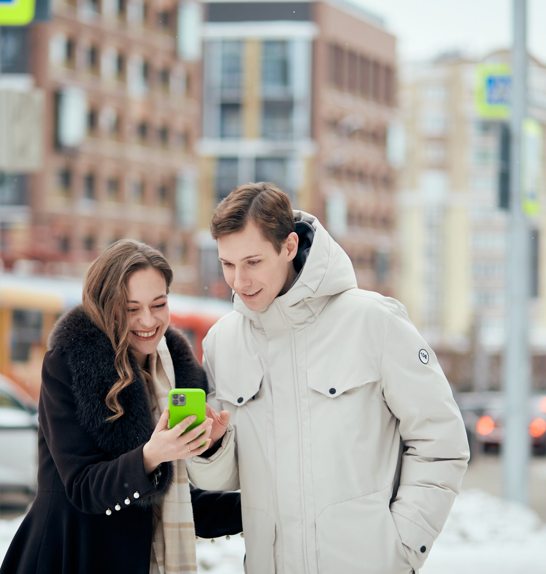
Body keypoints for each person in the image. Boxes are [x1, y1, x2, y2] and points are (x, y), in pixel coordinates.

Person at [187, 183, 470, 574]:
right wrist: (210, 449)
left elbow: (441, 442)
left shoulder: (373, 322)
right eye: (227, 264)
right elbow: (229, 477)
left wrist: (401, 547)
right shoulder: (223, 341)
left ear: (288, 246)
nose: (239, 281)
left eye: (252, 262)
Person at [0, 240, 241, 574]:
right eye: (131, 309)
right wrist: (151, 456)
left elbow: (178, 502)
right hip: (73, 553)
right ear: (105, 306)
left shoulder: (177, 374)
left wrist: (253, 504)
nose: (148, 320)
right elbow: (83, 488)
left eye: (159, 304)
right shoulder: (71, 364)